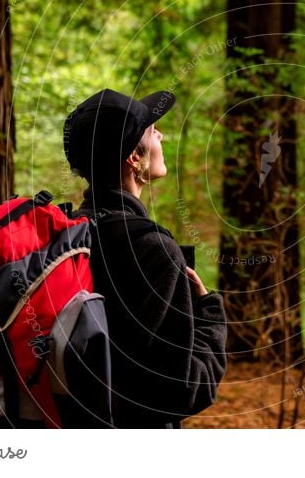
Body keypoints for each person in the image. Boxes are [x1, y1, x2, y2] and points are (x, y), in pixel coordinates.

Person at [63, 88, 227, 428]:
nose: (161, 134)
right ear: (133, 159)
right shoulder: (151, 249)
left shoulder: (70, 236)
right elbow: (184, 390)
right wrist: (210, 315)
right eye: (152, 131)